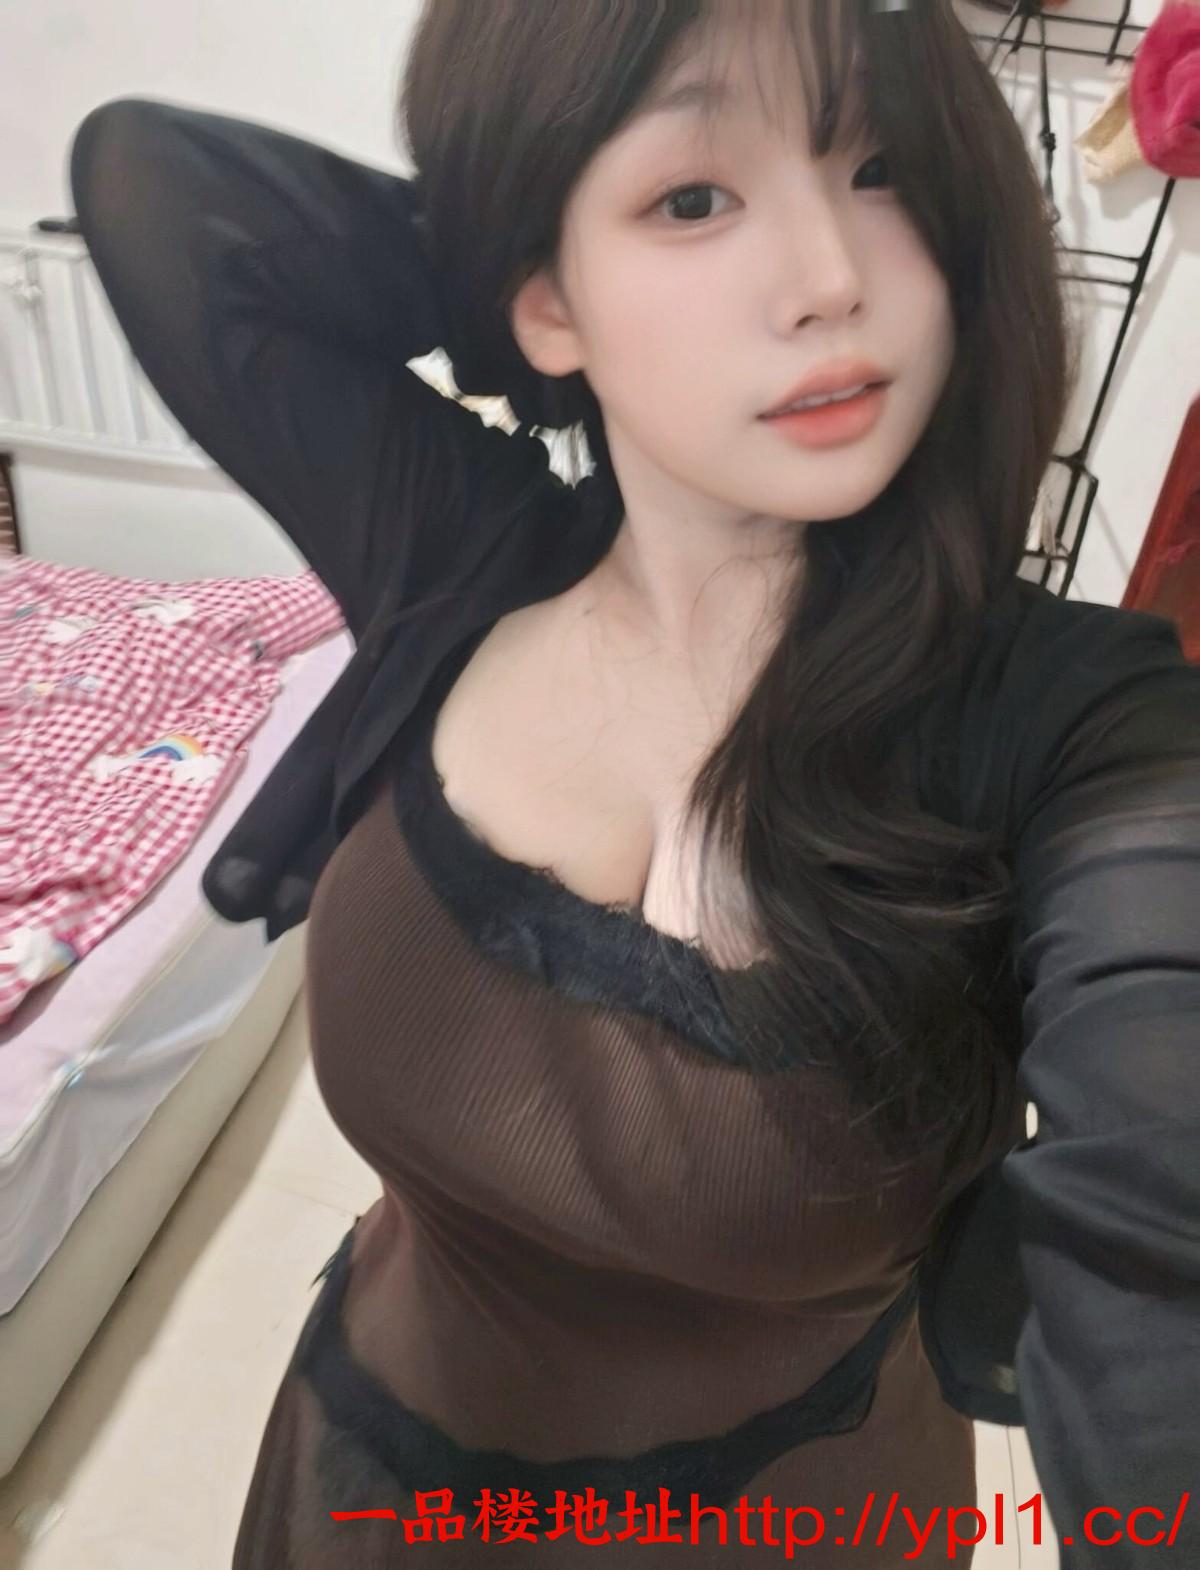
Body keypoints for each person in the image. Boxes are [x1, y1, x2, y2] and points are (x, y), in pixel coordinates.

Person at [68, 0, 1199, 1564]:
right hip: (368, 1486)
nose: (833, 279)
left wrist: (620, 264)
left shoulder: (1082, 726)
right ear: (542, 293)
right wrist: (532, 270)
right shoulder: (465, 554)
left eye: (884, 170)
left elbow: (1163, 1236)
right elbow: (162, 192)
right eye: (695, 196)